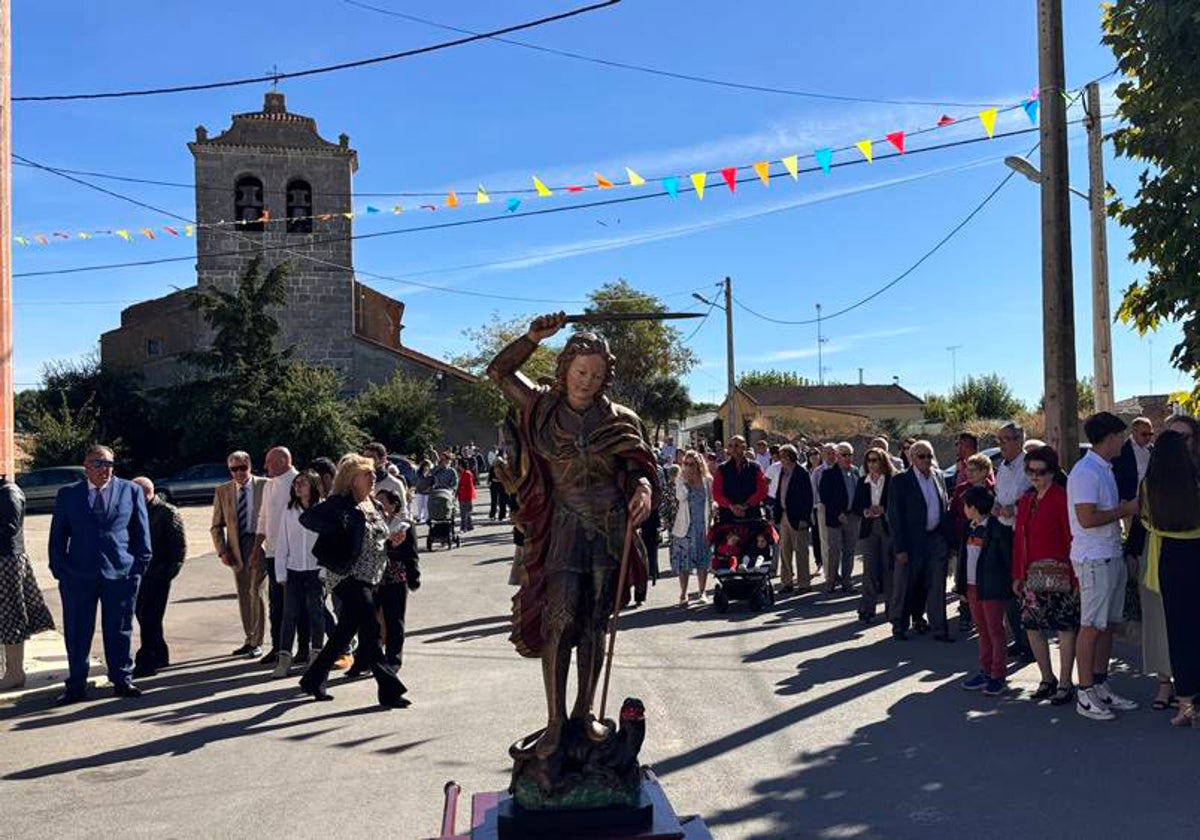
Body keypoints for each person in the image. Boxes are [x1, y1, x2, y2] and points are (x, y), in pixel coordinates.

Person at [486, 312, 658, 760]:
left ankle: (585, 713)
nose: (587, 380)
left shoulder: (622, 418)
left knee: (594, 622)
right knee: (559, 621)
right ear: (565, 369)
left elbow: (640, 467)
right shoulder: (541, 407)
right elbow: (498, 372)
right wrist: (531, 338)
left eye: (597, 374)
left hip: (608, 525)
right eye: (581, 371)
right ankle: (555, 721)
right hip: (562, 524)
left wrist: (642, 490)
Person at [298, 455, 408, 708]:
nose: (372, 478)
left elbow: (377, 538)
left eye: (372, 473)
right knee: (370, 628)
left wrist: (393, 540)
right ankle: (389, 690)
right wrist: (337, 531)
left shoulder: (373, 504)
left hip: (371, 576)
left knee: (344, 632)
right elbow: (309, 519)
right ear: (351, 479)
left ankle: (313, 679)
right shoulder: (340, 504)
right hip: (347, 576)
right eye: (366, 474)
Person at [48, 444, 152, 705]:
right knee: (77, 631)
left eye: (108, 464)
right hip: (78, 576)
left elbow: (141, 535)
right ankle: (76, 684)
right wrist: (60, 569)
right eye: (98, 464)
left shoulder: (130, 491)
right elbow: (58, 536)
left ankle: (121, 679)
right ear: (86, 466)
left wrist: (137, 568)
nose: (104, 469)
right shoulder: (68, 495)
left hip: (121, 575)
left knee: (119, 629)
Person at [1068, 412, 1141, 721]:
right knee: (1092, 625)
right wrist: (1124, 510)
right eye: (1120, 436)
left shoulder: (1105, 469)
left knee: (1108, 624)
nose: (1123, 441)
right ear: (1110, 437)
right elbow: (1086, 519)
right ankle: (1084, 692)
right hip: (1094, 557)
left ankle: (1099, 683)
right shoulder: (1086, 472)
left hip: (1110, 553)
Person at [1139, 430, 1200, 727]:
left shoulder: (1150, 485)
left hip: (1170, 557)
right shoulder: (1196, 481)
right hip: (1197, 550)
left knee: (1179, 632)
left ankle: (1185, 704)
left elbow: (1146, 521)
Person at [1012, 445, 1079, 706]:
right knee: (1032, 627)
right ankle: (1046, 678)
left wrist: (1076, 577)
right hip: (1032, 576)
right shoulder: (1027, 500)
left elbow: (1072, 538)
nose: (1035, 477)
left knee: (1065, 627)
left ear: (1052, 472)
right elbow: (1020, 540)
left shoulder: (1063, 498)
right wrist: (1017, 574)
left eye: (1040, 472)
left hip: (1061, 574)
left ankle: (1065, 682)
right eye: (1030, 471)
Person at [886, 440, 954, 642]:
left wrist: (949, 543)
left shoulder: (939, 477)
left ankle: (939, 628)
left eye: (929, 456)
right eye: (922, 456)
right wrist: (900, 549)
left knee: (936, 585)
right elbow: (895, 517)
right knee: (905, 585)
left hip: (935, 539)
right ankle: (899, 624)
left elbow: (944, 511)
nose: (926, 460)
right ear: (912, 458)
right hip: (911, 541)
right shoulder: (901, 481)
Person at [955, 486, 1013, 696]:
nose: (964, 509)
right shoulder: (969, 528)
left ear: (974, 507)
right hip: (972, 588)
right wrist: (961, 586)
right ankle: (985, 670)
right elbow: (963, 560)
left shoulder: (997, 529)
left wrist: (1012, 583)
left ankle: (998, 675)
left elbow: (1007, 559)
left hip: (992, 587)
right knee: (982, 630)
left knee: (995, 631)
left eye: (966, 505)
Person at [0, 474, 55, 691]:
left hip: (7, 561)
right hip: (6, 559)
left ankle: (15, 673)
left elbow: (10, 528)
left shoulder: (8, 492)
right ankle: (12, 672)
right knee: (6, 616)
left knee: (10, 614)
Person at [211, 451, 268, 657]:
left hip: (260, 543)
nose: (239, 473)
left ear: (250, 466)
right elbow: (216, 526)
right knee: (243, 592)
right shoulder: (223, 491)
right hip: (236, 547)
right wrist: (222, 551)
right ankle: (249, 638)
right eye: (234, 469)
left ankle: (258, 641)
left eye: (243, 468)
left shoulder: (265, 485)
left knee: (256, 590)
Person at [271, 471, 325, 679]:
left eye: (302, 483)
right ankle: (284, 659)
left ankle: (316, 657)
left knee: (316, 613)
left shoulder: (322, 509)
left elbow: (329, 539)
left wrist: (325, 569)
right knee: (289, 614)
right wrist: (281, 572)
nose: (298, 487)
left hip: (315, 570)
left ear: (312, 485)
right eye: (295, 484)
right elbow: (282, 542)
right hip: (294, 570)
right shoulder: (289, 510)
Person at [131, 477, 187, 678]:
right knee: (144, 615)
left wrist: (167, 574)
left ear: (146, 492)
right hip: (138, 575)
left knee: (150, 617)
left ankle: (146, 660)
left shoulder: (166, 512)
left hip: (158, 575)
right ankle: (160, 654)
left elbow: (178, 548)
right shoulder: (133, 511)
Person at [251, 446, 299, 665]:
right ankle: (278, 647)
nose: (266, 466)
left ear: (282, 461)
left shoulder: (298, 481)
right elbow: (262, 517)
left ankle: (303, 648)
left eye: (269, 462)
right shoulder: (270, 485)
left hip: (294, 554)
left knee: (297, 604)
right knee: (276, 603)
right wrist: (256, 548)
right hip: (271, 553)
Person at [994, 422, 1034, 660]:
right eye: (999, 440)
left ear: (1018, 440)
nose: (1000, 445)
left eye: (1004, 439)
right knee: (1009, 591)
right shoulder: (1003, 467)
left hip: (1022, 535)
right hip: (1003, 533)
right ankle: (1018, 639)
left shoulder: (1030, 465)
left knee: (1023, 591)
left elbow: (1035, 495)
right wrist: (998, 505)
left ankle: (1030, 644)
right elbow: (1000, 494)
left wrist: (1015, 508)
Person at [375, 488, 418, 670]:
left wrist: (413, 576)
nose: (379, 506)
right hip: (375, 578)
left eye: (383, 502)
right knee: (372, 621)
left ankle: (393, 659)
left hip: (396, 577)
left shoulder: (404, 525)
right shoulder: (373, 523)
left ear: (393, 505)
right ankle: (368, 659)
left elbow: (411, 553)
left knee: (394, 620)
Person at [852, 447, 893, 622]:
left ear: (882, 461)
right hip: (869, 528)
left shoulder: (892, 480)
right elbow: (855, 506)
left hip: (887, 527)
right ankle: (866, 609)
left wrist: (884, 509)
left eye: (875, 460)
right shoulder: (863, 481)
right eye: (869, 460)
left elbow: (897, 504)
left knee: (888, 569)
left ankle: (892, 610)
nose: (872, 464)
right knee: (870, 570)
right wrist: (865, 511)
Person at [670, 451, 713, 605]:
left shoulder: (707, 481)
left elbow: (712, 501)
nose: (688, 467)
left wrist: (713, 515)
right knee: (684, 563)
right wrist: (685, 482)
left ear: (699, 465)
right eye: (686, 464)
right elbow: (680, 497)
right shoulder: (681, 480)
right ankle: (683, 594)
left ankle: (702, 592)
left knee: (703, 561)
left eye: (691, 464)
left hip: (702, 526)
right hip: (685, 528)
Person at [770, 445, 814, 595]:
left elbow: (808, 498)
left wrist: (804, 518)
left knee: (801, 551)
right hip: (783, 515)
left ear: (789, 457)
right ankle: (787, 582)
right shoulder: (783, 472)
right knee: (785, 551)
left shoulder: (802, 473)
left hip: (798, 517)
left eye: (782, 456)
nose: (779, 459)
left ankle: (804, 583)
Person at [819, 442, 861, 593]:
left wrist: (857, 512)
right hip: (835, 519)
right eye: (844, 455)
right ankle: (830, 582)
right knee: (834, 551)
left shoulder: (856, 472)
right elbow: (825, 497)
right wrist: (838, 513)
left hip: (853, 517)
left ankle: (847, 582)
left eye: (850, 454)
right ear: (837, 456)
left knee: (850, 551)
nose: (848, 458)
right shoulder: (829, 474)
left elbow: (859, 494)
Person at [712, 436, 768, 525]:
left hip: (751, 517)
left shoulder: (755, 467)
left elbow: (762, 490)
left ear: (744, 447)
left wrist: (747, 505)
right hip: (728, 517)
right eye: (730, 446)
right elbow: (716, 493)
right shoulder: (722, 469)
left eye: (736, 445)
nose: (733, 449)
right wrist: (731, 506)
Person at [1113, 416, 1154, 503]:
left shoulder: (1152, 450)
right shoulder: (1122, 450)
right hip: (1129, 500)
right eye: (1144, 434)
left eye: (1150, 434)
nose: (1147, 438)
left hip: (1149, 500)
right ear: (1134, 432)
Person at [811, 444, 838, 575]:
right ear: (823, 455)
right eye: (827, 453)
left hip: (841, 509)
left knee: (840, 543)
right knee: (826, 542)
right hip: (823, 508)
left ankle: (838, 571)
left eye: (833, 453)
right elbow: (814, 491)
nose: (831, 456)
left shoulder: (843, 469)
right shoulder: (818, 471)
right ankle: (829, 574)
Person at [489, 455, 510, 522]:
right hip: (494, 485)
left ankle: (502, 515)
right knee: (494, 501)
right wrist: (495, 480)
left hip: (502, 486)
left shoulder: (504, 468)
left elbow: (507, 477)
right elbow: (490, 478)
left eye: (499, 462)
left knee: (502, 501)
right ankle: (492, 515)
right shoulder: (492, 468)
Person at [457, 460, 477, 532]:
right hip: (462, 494)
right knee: (466, 512)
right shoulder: (462, 473)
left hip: (466, 495)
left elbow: (469, 486)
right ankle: (470, 526)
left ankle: (463, 527)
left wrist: (461, 488)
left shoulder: (467, 473)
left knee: (464, 513)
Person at [412, 460, 433, 524]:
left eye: (428, 466)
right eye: (426, 466)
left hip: (427, 492)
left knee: (426, 506)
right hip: (419, 491)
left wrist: (430, 488)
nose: (427, 467)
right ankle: (419, 518)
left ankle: (427, 518)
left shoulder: (431, 473)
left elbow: (432, 482)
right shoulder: (418, 473)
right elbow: (416, 482)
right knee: (420, 506)